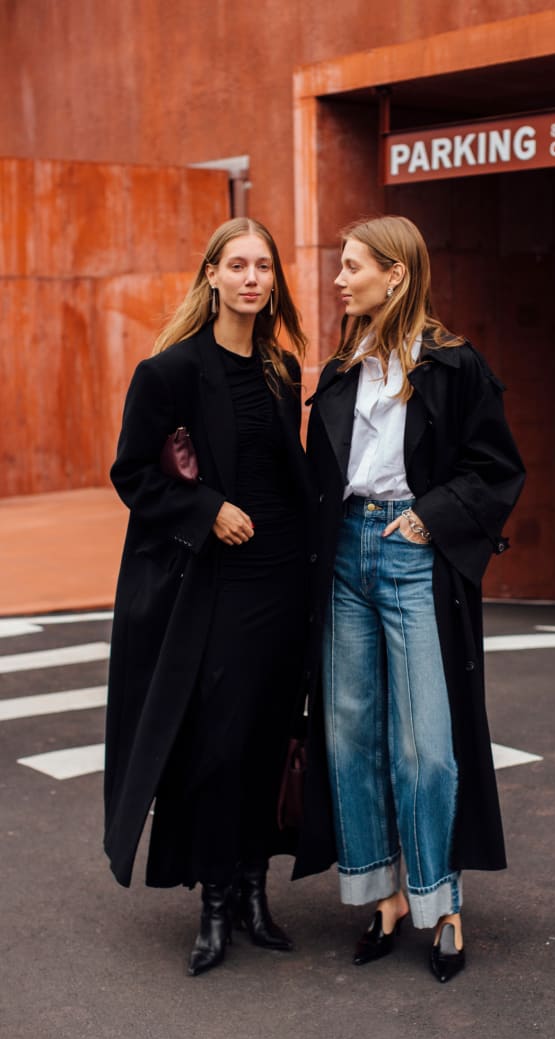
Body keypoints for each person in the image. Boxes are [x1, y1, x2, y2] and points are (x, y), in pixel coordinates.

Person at [297, 215, 525, 983]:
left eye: (353, 266)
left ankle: (440, 900)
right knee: (348, 738)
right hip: (343, 560)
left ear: (395, 275)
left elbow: (497, 470)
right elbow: (316, 476)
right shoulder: (341, 367)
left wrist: (432, 516)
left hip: (409, 556)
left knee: (427, 748)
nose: (340, 278)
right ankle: (383, 895)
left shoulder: (455, 367)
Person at [104, 217, 314, 977]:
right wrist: (207, 511)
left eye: (264, 266)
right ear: (212, 277)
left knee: (267, 738)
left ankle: (257, 891)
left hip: (285, 581)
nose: (253, 278)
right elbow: (134, 474)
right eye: (239, 265)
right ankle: (215, 903)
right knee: (218, 745)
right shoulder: (169, 373)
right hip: (219, 588)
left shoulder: (281, 372)